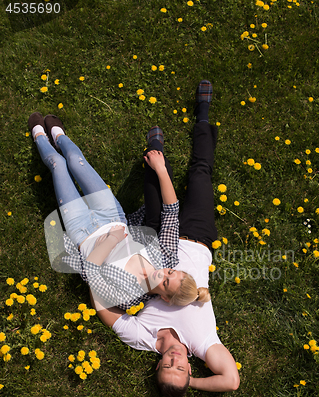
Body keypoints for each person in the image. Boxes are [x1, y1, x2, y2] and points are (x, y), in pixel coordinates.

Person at [91, 80, 240, 397]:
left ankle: (155, 153)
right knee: (200, 173)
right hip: (198, 236)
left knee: (155, 194)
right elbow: (230, 380)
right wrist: (194, 384)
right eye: (181, 369)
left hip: (160, 241)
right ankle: (203, 114)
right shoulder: (203, 343)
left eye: (167, 366)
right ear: (189, 369)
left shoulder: (145, 339)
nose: (175, 361)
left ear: (157, 366)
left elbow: (107, 312)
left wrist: (94, 271)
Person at [28, 113, 209, 311]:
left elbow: (89, 273)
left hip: (81, 231)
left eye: (166, 283)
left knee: (58, 165)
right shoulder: (166, 257)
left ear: (165, 298)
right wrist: (161, 169)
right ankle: (58, 135)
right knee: (74, 159)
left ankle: (38, 136)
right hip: (111, 215)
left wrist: (111, 241)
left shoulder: (129, 299)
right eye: (171, 273)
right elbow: (171, 215)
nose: (163, 274)